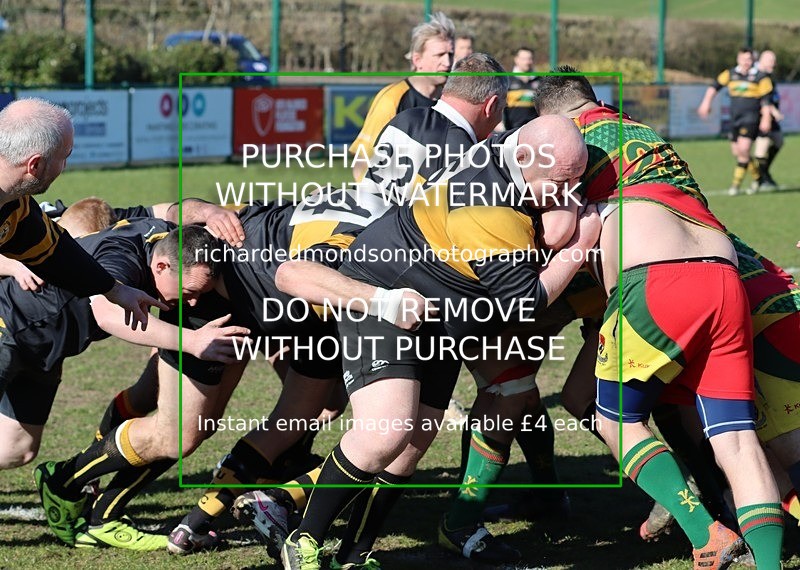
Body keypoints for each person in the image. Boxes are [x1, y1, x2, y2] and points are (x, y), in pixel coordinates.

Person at [278, 115, 599, 570]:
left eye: (575, 181)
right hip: (389, 295)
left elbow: (550, 219)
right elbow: (523, 302)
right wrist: (579, 246)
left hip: (440, 317)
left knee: (410, 448)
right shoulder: (489, 209)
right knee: (384, 433)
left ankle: (354, 554)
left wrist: (561, 206)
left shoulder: (506, 151)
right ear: (526, 156)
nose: (568, 193)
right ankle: (303, 540)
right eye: (561, 182)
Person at [537, 68, 784, 569]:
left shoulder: (565, 139)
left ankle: (705, 531)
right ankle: (770, 564)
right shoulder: (640, 131)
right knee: (737, 441)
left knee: (614, 419)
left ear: (551, 115)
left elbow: (559, 230)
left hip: (654, 280)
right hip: (723, 274)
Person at [22, 222, 245, 549]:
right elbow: (108, 314)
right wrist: (192, 340)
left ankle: (98, 509)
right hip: (22, 333)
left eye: (200, 292)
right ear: (161, 266)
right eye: (189, 291)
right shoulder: (122, 256)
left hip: (50, 340)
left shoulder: (165, 238)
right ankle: (66, 481)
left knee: (182, 423)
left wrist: (207, 209)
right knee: (16, 449)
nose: (194, 302)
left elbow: (169, 209)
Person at [0, 98, 166, 329]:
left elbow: (55, 253)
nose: (65, 167)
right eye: (64, 157)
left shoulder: (17, 207)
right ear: (34, 165)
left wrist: (115, 290)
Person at [349, 12, 455, 181]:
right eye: (439, 55)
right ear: (417, 60)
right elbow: (362, 163)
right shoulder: (392, 99)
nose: (448, 63)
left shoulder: (452, 102)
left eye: (450, 54)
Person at [697, 47, 773, 196]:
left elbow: (766, 102)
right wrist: (706, 103)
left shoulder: (761, 77)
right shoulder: (730, 74)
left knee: (744, 149)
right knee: (738, 152)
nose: (746, 62)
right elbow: (714, 87)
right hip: (734, 119)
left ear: (753, 60)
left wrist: (766, 118)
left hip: (751, 119)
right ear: (738, 59)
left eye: (749, 59)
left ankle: (735, 185)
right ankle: (758, 178)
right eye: (744, 59)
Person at [751, 50, 783, 192]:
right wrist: (772, 111)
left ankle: (764, 173)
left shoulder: (769, 76)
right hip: (761, 117)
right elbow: (762, 99)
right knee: (760, 152)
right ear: (762, 61)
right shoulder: (757, 76)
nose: (774, 64)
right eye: (771, 61)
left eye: (774, 61)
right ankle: (761, 178)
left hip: (772, 119)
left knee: (779, 141)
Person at [500, 47, 539, 130]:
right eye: (524, 59)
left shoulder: (540, 81)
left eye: (530, 59)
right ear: (516, 59)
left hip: (534, 130)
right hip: (511, 130)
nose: (527, 62)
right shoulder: (506, 80)